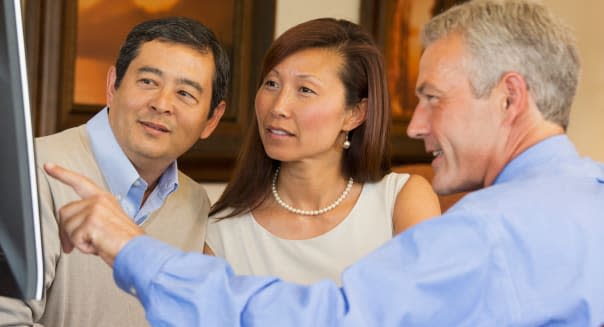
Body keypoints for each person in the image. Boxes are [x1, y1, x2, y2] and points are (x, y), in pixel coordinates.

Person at [43, 0, 604, 325]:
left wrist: (133, 249)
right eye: (270, 85)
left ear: (509, 98)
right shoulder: (588, 200)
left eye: (433, 98)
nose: (417, 125)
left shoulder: (491, 230)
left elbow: (334, 318)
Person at [0, 17, 229, 326]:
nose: (162, 104)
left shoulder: (196, 202)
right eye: (148, 81)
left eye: (185, 93)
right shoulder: (32, 173)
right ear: (112, 85)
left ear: (212, 120)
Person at [204, 18, 441, 285]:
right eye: (271, 84)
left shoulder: (401, 201)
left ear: (354, 114)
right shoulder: (222, 229)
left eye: (305, 90)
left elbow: (426, 311)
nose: (278, 107)